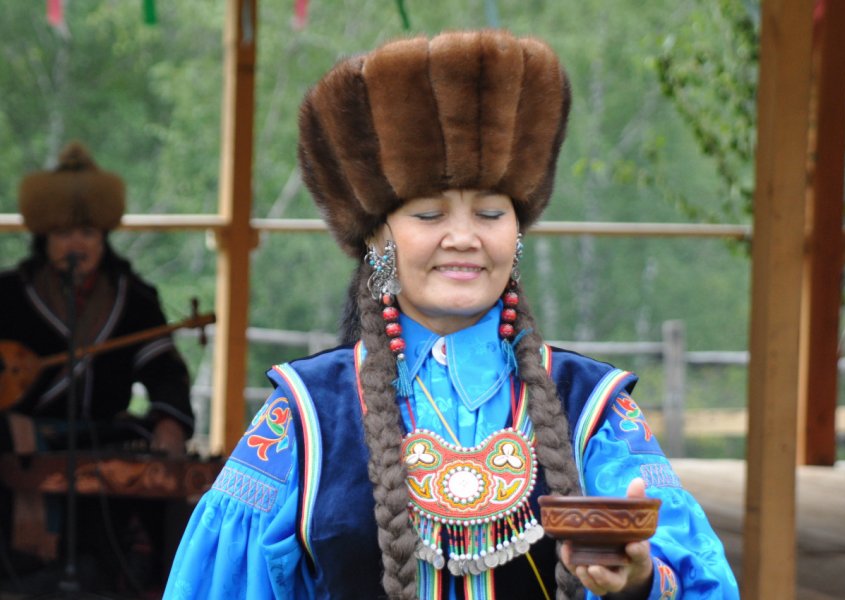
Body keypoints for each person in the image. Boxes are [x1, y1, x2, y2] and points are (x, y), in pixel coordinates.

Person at [165, 30, 739, 599]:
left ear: (517, 234)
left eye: (490, 213)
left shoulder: (593, 407)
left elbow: (692, 575)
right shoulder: (306, 413)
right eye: (430, 215)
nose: (463, 238)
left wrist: (637, 580)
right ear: (376, 239)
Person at [0, 141, 195, 593]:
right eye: (64, 234)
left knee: (150, 449)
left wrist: (169, 419)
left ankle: (135, 577)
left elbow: (164, 368)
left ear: (102, 239)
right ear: (45, 239)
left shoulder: (134, 297)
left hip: (99, 431)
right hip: (17, 431)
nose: (76, 244)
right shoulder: (9, 295)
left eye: (87, 234)